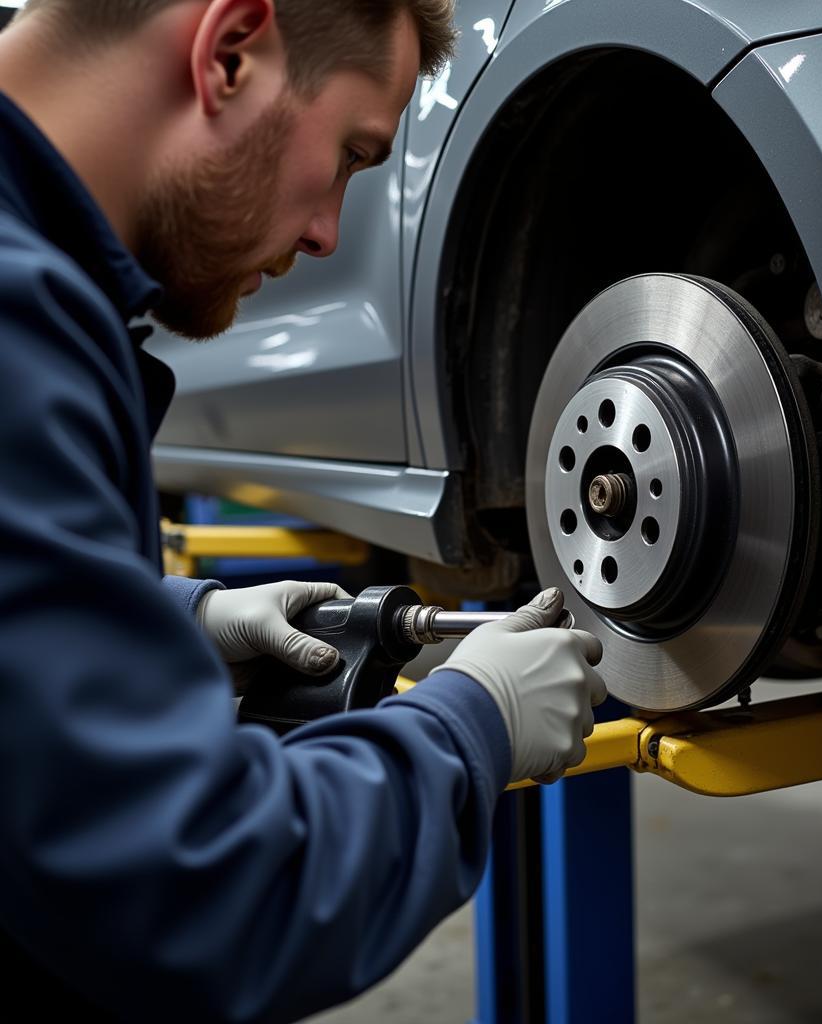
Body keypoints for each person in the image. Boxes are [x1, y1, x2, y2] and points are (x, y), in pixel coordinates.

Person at [0, 1, 607, 1020]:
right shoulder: (19, 336)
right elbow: (205, 897)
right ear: (230, 51)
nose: (328, 233)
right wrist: (469, 728)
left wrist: (165, 622)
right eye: (350, 155)